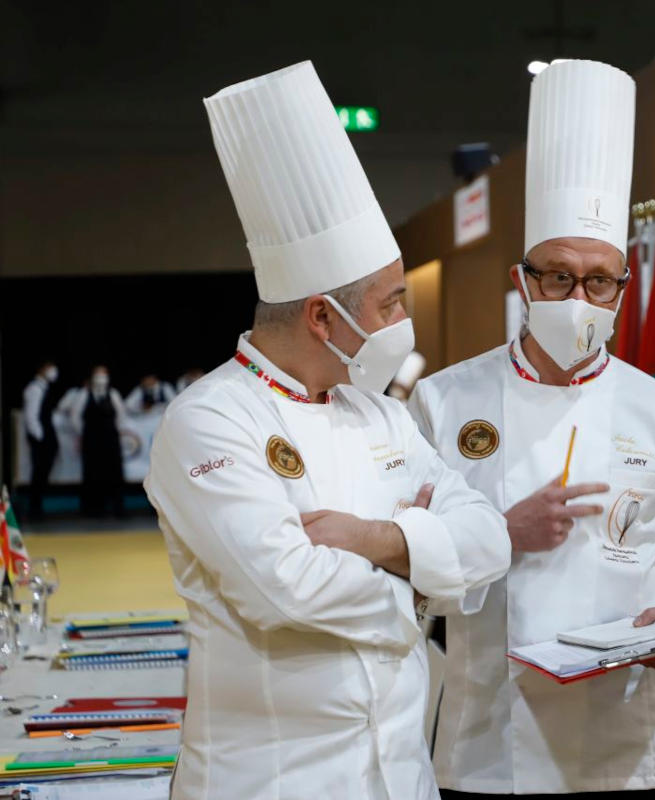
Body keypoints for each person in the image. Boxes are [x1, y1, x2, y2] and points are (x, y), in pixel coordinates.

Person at [143, 61, 510, 800]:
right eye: (390, 304)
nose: (403, 325)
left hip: (400, 779)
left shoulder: (376, 412)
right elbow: (285, 589)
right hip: (272, 784)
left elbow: (488, 537)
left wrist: (380, 541)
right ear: (322, 316)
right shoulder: (209, 420)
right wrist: (423, 591)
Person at [407, 60, 655, 798]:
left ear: (622, 290)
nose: (578, 296)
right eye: (557, 276)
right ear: (522, 280)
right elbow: (407, 571)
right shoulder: (443, 403)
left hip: (634, 746)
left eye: (598, 280)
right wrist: (500, 533)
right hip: (490, 746)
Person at [70, 365, 127, 518]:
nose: (101, 377)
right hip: (91, 440)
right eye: (98, 374)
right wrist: (85, 433)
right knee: (92, 473)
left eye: (104, 374)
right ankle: (93, 509)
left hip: (110, 439)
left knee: (115, 473)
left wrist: (114, 431)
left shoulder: (113, 394)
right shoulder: (84, 394)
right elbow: (75, 417)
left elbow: (121, 415)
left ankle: (118, 508)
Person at [22, 361, 59, 519]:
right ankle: (34, 509)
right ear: (42, 369)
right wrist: (40, 438)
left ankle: (37, 507)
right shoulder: (34, 389)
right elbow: (31, 416)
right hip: (41, 437)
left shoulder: (44, 388)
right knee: (38, 472)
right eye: (50, 368)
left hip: (45, 435)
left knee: (42, 473)